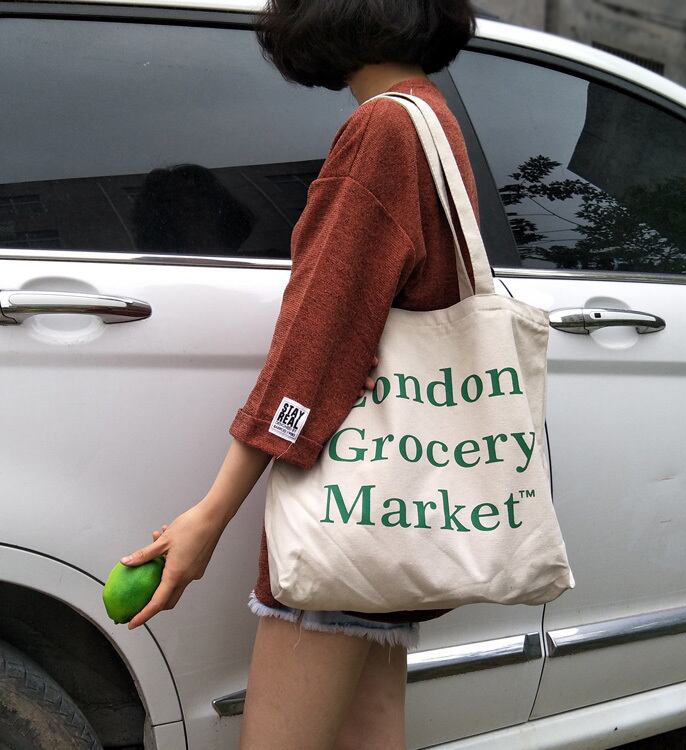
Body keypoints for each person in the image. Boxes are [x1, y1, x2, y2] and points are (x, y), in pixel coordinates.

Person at [118, 1, 481, 747]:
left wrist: (209, 516)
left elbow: (319, 342)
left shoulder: (382, 130)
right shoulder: (431, 115)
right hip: (402, 499)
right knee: (368, 729)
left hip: (351, 501)